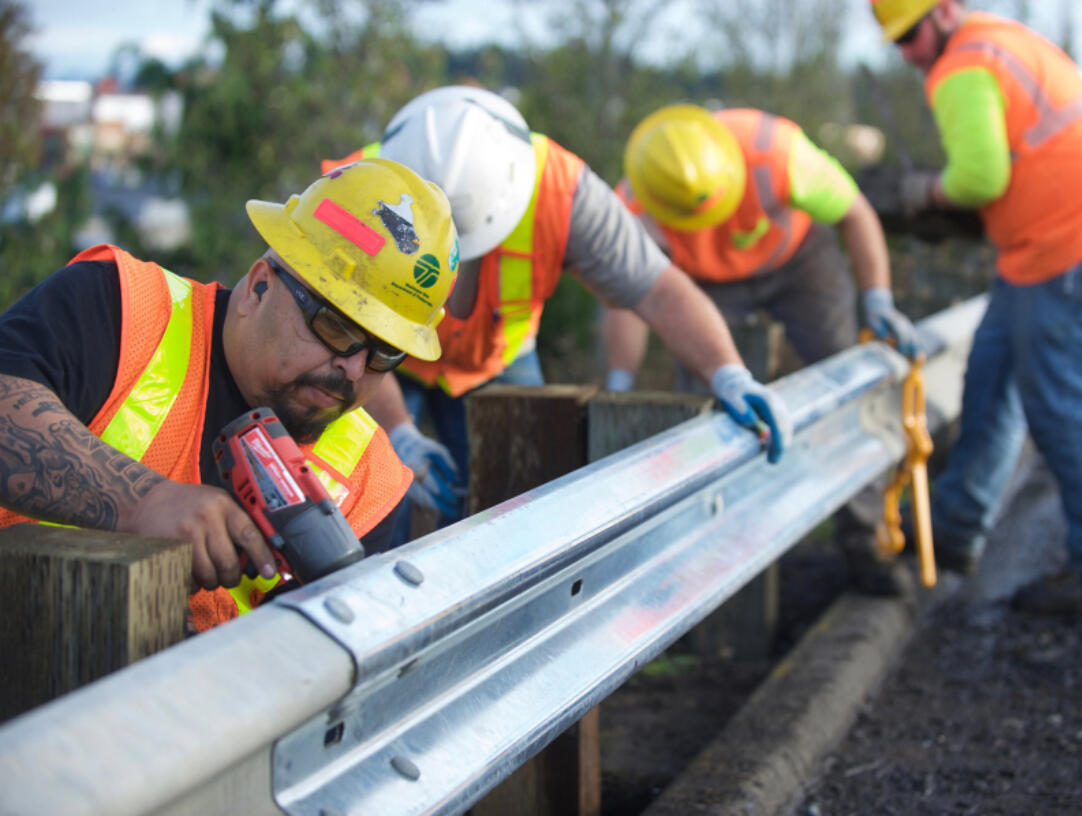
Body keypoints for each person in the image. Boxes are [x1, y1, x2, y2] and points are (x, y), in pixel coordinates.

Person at [0, 158, 460, 631]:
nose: (353, 368)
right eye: (336, 327)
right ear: (259, 286)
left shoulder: (369, 480)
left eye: (386, 354)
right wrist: (141, 501)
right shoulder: (124, 310)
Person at [323, 86, 793, 541]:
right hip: (374, 357)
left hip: (497, 354)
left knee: (524, 500)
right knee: (369, 497)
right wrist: (399, 432)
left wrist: (729, 373)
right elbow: (338, 343)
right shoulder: (350, 192)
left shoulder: (563, 192)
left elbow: (660, 290)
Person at [872, 0, 1082, 614]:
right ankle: (952, 534)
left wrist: (923, 191)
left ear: (944, 12)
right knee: (992, 380)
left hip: (1079, 248)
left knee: (1063, 405)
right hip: (1044, 251)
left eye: (912, 35)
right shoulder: (1000, 41)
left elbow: (980, 179)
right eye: (896, 43)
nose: (908, 54)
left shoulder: (961, 65)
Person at [602, 103, 919, 596]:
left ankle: (868, 541)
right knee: (708, 411)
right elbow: (629, 298)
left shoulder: (777, 155)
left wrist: (877, 298)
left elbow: (856, 214)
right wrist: (619, 381)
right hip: (702, 288)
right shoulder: (632, 204)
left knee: (845, 383)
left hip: (799, 263)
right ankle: (711, 556)